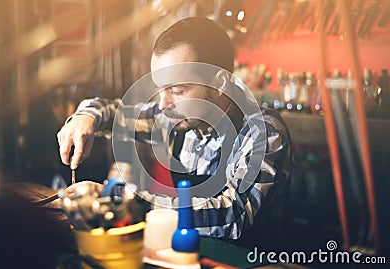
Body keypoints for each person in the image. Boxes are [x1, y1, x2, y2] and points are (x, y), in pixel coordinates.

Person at [57, 17, 293, 249]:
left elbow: (232, 213)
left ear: (219, 83)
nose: (163, 105)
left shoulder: (264, 131)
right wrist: (85, 117)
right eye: (161, 90)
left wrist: (126, 202)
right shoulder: (176, 118)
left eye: (177, 90)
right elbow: (115, 114)